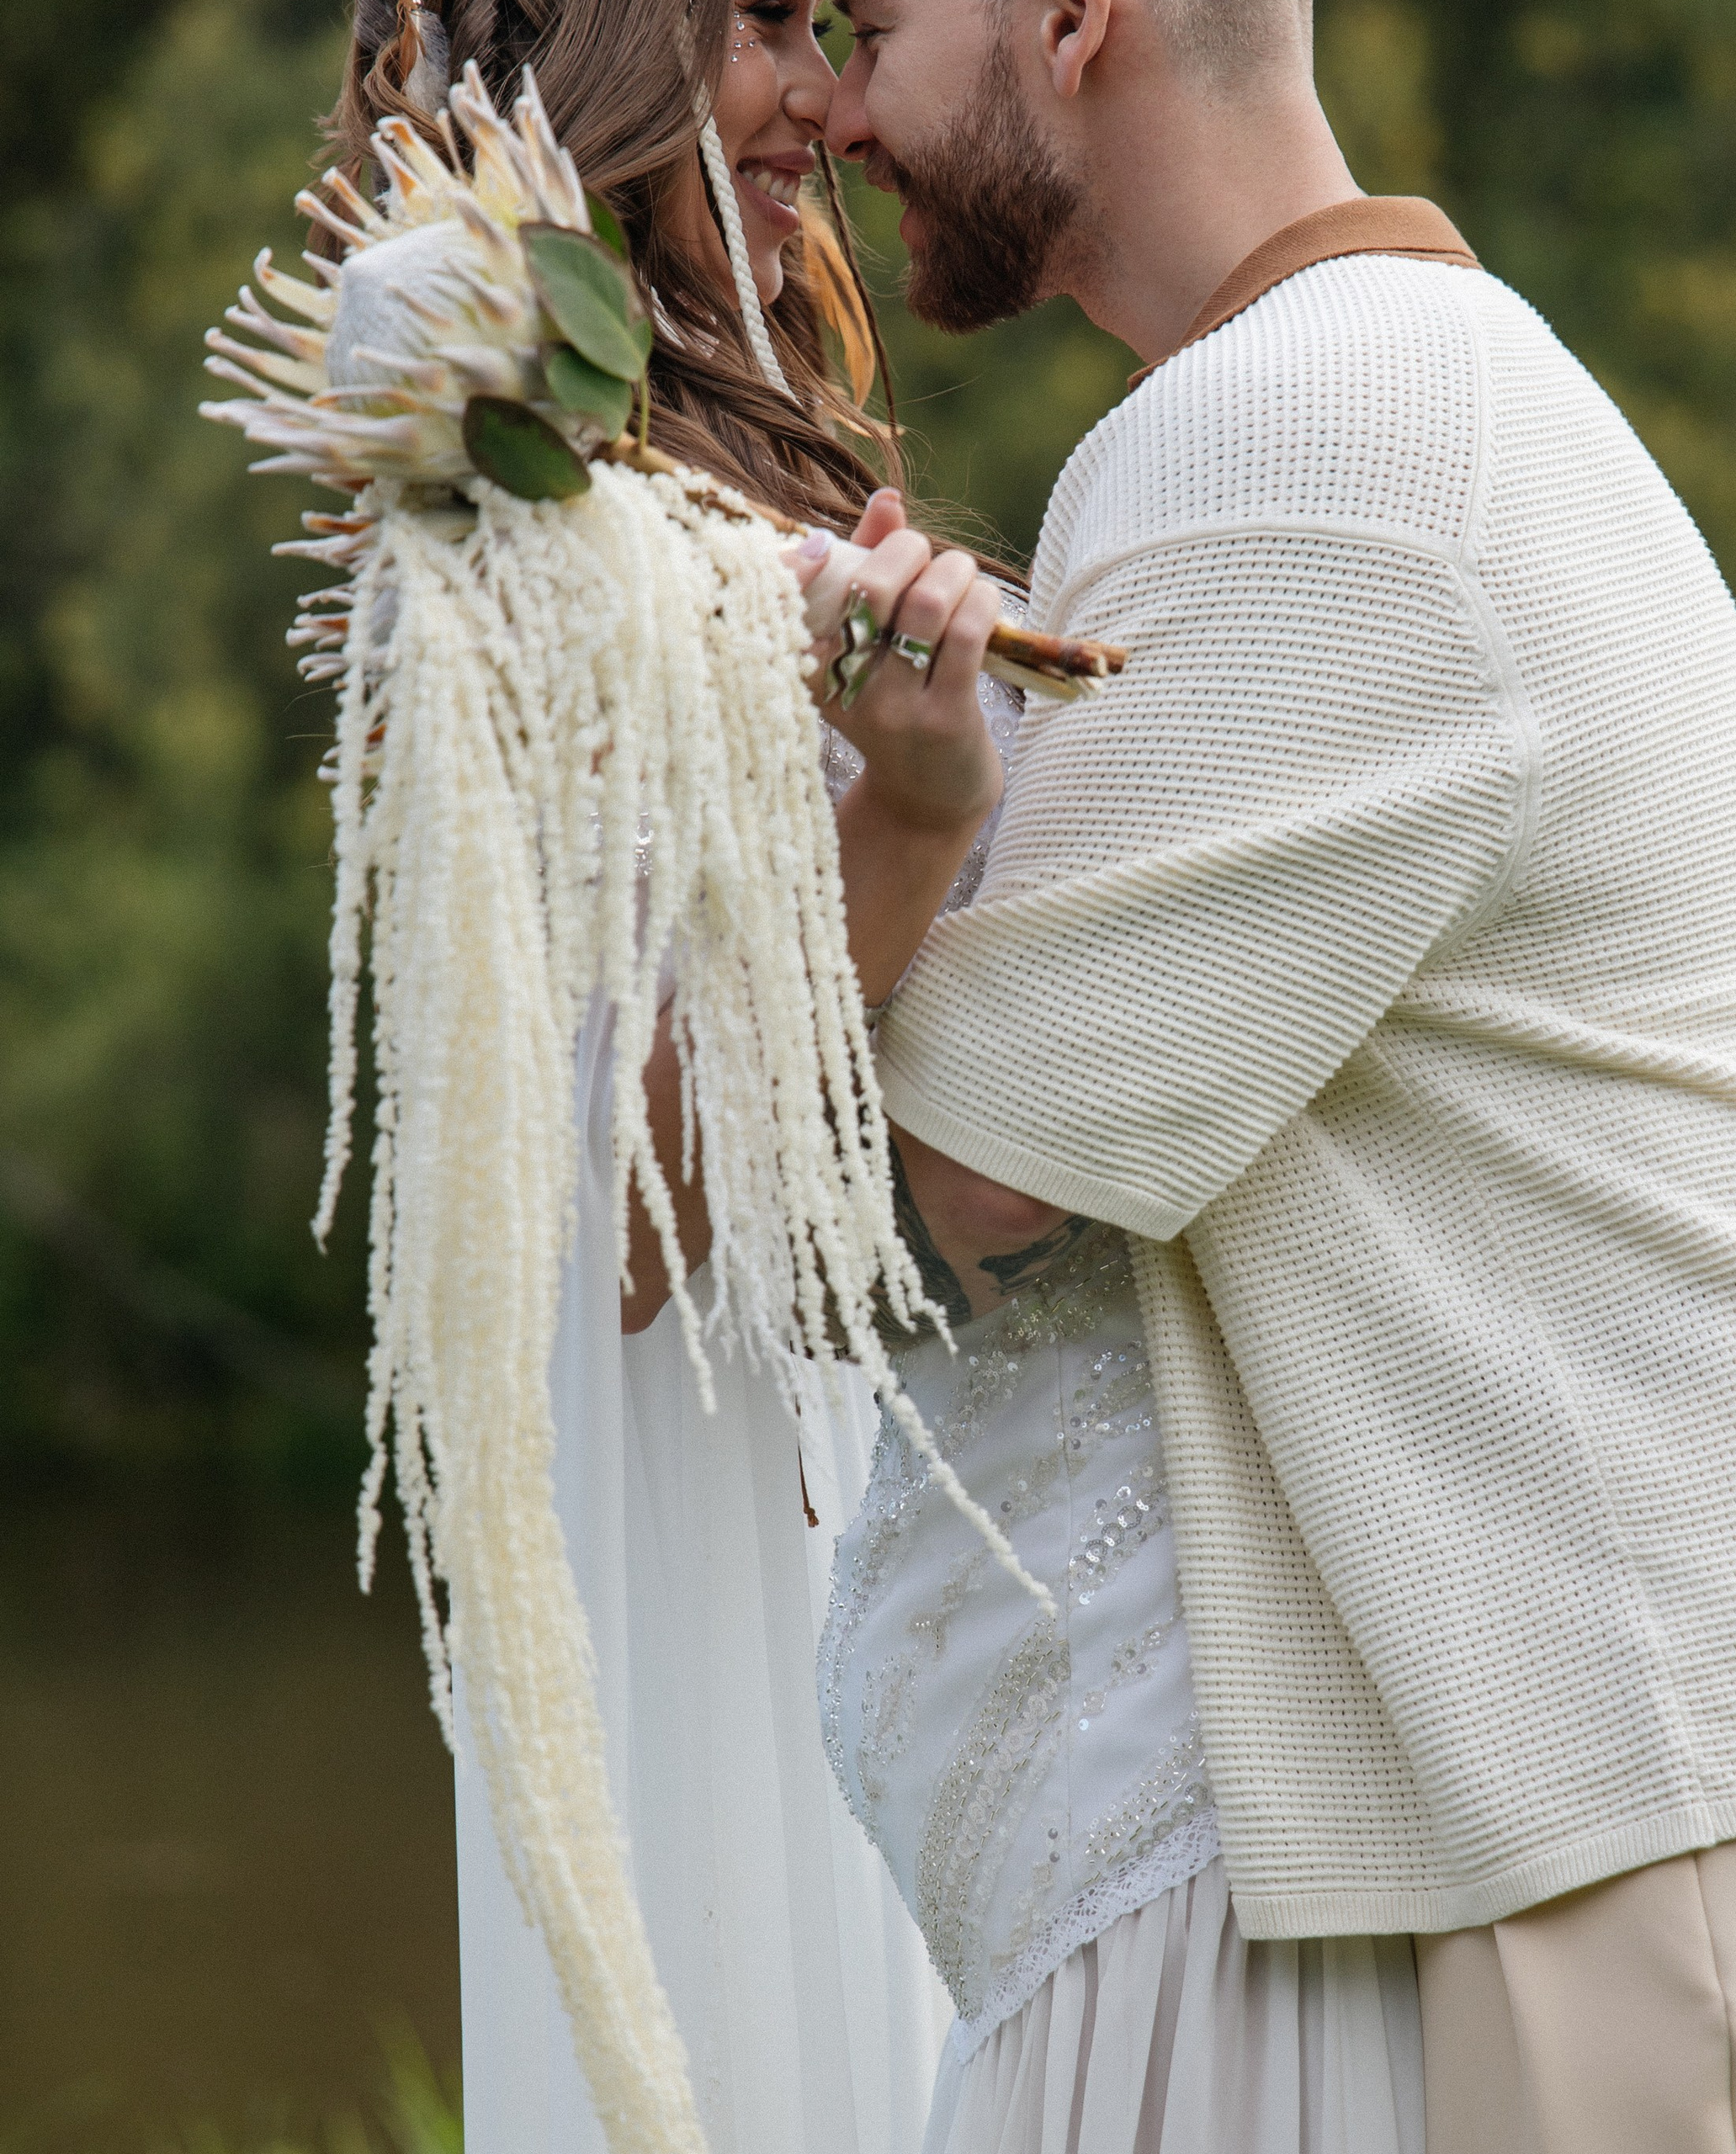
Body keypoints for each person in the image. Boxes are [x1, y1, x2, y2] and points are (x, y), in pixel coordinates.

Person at [795, 0, 1736, 2147]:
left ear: (1069, 19)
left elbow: (970, 1180)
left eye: (874, 26)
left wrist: (875, 847)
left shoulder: (1309, 432)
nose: (838, 110)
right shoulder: (1405, 374)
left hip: (1697, 1718)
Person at [326, 5, 1011, 2151]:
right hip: (703, 1458)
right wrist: (902, 829)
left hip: (845, 1399)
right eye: (767, 29)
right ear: (620, 58)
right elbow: (625, 1215)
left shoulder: (689, 465)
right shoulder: (528, 519)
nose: (824, 95)